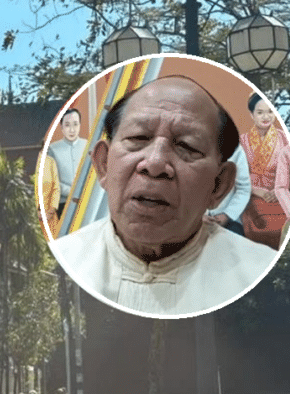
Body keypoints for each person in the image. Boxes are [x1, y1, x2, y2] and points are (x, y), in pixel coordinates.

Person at [52, 76, 277, 316]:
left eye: (187, 146)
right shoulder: (60, 264)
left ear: (219, 186)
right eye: (138, 138)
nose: (155, 163)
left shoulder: (261, 276)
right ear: (103, 164)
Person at [240, 92, 290, 250]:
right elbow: (238, 175)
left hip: (281, 198)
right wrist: (259, 191)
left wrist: (278, 191)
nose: (266, 116)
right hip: (253, 196)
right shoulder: (243, 141)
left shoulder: (285, 139)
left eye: (270, 111)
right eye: (260, 112)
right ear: (251, 114)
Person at [48, 108, 89, 217]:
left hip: (86, 201)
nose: (72, 130)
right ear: (61, 127)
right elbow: (52, 180)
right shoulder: (52, 149)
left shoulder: (88, 146)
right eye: (67, 125)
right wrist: (72, 192)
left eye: (75, 124)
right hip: (64, 204)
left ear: (80, 125)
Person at [204, 145, 251, 236]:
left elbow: (243, 188)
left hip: (226, 220)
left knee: (236, 237)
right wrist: (199, 217)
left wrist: (227, 215)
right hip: (193, 218)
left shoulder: (236, 150)